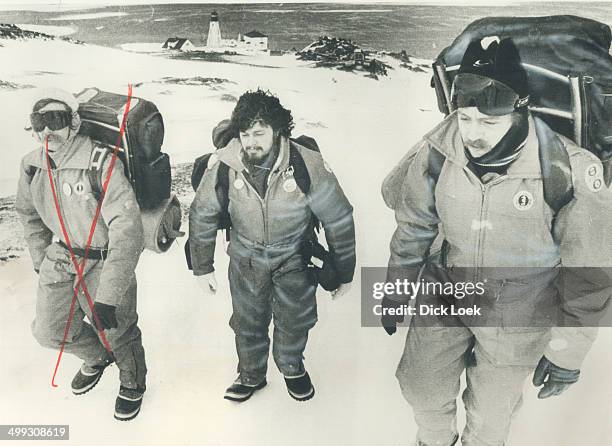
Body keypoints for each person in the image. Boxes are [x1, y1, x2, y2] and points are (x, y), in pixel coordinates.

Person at [382, 38, 612, 446]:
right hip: (449, 288)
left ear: (518, 110)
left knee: (491, 415)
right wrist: (397, 289)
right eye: (466, 119)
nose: (473, 134)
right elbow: (414, 225)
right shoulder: (438, 151)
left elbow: (590, 270)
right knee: (419, 385)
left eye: (489, 123)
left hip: (522, 307)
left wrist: (567, 352)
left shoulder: (568, 169)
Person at [189, 89, 356, 402]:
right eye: (245, 133)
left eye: (259, 133)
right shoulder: (225, 164)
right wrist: (202, 266)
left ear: (278, 130)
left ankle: (291, 365)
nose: (251, 141)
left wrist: (345, 272)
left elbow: (339, 217)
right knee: (247, 321)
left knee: (295, 320)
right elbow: (202, 213)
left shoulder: (307, 163)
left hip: (294, 256)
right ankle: (251, 373)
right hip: (245, 258)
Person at [16, 88, 147, 421]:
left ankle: (133, 380)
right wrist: (41, 256)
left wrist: (109, 294)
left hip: (104, 259)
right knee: (48, 331)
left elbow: (127, 227)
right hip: (61, 257)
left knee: (117, 328)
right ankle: (97, 358)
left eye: (55, 120)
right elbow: (28, 214)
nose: (47, 131)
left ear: (72, 124)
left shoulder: (100, 162)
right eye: (38, 122)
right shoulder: (32, 166)